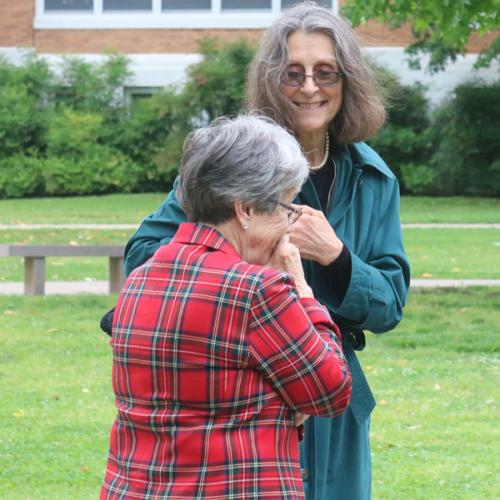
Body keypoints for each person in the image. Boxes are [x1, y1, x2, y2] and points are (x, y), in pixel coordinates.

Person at [123, 3, 410, 498]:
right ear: (270, 80)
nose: (309, 88)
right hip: (242, 394)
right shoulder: (229, 157)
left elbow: (389, 305)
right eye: (292, 74)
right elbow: (145, 256)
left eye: (326, 73)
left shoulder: (373, 178)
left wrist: (336, 257)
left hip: (335, 392)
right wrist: (242, 266)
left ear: (349, 80)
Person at [101, 115, 352, 499]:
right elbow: (330, 390)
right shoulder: (256, 290)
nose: (289, 228)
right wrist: (301, 288)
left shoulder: (140, 279)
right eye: (286, 209)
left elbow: (199, 392)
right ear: (246, 209)